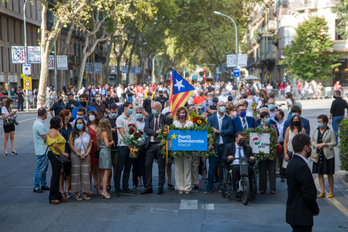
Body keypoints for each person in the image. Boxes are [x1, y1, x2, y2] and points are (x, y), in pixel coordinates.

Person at [285, 133, 320, 232]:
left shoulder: (291, 163)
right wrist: (315, 209)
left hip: (293, 212)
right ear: (306, 148)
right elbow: (307, 192)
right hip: (302, 215)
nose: (311, 148)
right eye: (310, 146)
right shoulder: (302, 166)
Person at [205, 101, 234, 193]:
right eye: (221, 106)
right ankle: (209, 186)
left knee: (223, 166)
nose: (223, 107)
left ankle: (221, 186)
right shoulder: (211, 118)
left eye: (224, 106)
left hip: (225, 146)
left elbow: (231, 130)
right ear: (217, 107)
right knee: (212, 167)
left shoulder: (228, 118)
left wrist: (220, 132)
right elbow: (207, 130)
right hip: (214, 146)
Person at [142, 102, 170, 195]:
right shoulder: (149, 117)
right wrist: (156, 132)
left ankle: (160, 187)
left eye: (155, 108)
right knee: (147, 165)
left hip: (160, 145)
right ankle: (148, 186)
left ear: (159, 108)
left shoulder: (165, 118)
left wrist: (166, 130)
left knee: (161, 167)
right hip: (150, 144)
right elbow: (146, 129)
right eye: (152, 108)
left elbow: (169, 129)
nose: (153, 109)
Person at [114, 102, 137, 197]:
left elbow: (135, 132)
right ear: (125, 108)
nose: (131, 109)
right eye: (130, 108)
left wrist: (133, 143)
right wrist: (128, 144)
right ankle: (117, 188)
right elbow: (122, 133)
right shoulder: (119, 119)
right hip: (123, 145)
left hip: (131, 146)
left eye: (132, 108)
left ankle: (125, 187)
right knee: (120, 167)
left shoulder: (133, 119)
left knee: (128, 167)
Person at [312, 114, 336, 198]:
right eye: (318, 122)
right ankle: (322, 191)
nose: (319, 124)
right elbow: (311, 140)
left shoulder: (330, 131)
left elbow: (334, 143)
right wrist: (314, 144)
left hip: (328, 154)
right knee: (320, 173)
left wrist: (324, 144)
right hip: (318, 154)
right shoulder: (315, 130)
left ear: (325, 123)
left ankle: (330, 191)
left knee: (329, 173)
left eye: (320, 122)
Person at [46, 116, 69, 204]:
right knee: (55, 175)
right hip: (54, 155)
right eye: (60, 122)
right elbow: (54, 145)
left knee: (58, 174)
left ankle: (58, 194)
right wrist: (63, 153)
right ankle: (53, 197)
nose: (62, 123)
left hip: (57, 155)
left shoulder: (57, 131)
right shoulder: (52, 132)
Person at [69, 118, 92, 201]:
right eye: (77, 123)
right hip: (76, 154)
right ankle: (77, 192)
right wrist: (78, 154)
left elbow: (90, 145)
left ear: (83, 124)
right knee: (76, 173)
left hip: (85, 153)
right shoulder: (73, 133)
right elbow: (71, 145)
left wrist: (87, 153)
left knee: (85, 173)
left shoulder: (87, 134)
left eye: (80, 123)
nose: (79, 124)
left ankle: (85, 192)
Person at [172, 107, 194, 194]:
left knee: (188, 167)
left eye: (184, 112)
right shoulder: (175, 123)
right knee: (178, 168)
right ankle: (180, 186)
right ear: (178, 114)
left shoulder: (190, 123)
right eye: (180, 113)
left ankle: (187, 186)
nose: (182, 114)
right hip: (177, 149)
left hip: (188, 148)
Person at [257, 111, 277, 194]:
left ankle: (273, 188)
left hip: (271, 152)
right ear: (262, 119)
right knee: (262, 171)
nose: (268, 118)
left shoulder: (273, 127)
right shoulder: (259, 128)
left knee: (272, 171)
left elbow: (276, 137)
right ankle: (262, 187)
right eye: (266, 117)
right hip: (262, 152)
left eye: (268, 117)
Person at [32, 107, 50, 193]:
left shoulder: (38, 123)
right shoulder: (40, 124)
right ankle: (36, 186)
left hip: (42, 149)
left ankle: (43, 184)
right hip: (42, 150)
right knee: (41, 168)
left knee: (43, 168)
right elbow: (45, 138)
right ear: (45, 114)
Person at [97, 119, 115, 199]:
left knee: (104, 171)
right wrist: (113, 142)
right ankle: (104, 190)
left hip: (102, 152)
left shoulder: (100, 132)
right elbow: (107, 144)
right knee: (106, 171)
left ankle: (103, 189)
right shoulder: (104, 133)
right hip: (106, 152)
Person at [104, 104, 119, 193]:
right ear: (109, 110)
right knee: (108, 167)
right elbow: (101, 130)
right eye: (112, 112)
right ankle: (108, 184)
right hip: (108, 146)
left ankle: (116, 183)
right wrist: (110, 130)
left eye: (115, 112)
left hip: (117, 145)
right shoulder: (105, 120)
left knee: (116, 166)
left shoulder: (119, 119)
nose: (114, 113)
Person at [59, 110, 73, 199]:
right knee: (61, 172)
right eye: (69, 115)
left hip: (70, 150)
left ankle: (67, 190)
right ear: (65, 116)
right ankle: (62, 190)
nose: (70, 117)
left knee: (68, 172)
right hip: (62, 151)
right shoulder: (60, 127)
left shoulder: (70, 126)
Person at [132, 107, 147, 190]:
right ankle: (135, 183)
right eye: (137, 112)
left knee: (145, 166)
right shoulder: (133, 122)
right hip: (135, 146)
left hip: (144, 146)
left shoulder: (146, 122)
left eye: (140, 112)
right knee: (135, 166)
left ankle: (145, 183)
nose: (139, 114)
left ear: (143, 113)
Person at [87, 110, 101, 195]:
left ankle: (99, 187)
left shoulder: (100, 125)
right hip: (90, 149)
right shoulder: (87, 126)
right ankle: (89, 188)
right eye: (89, 115)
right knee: (90, 169)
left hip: (99, 149)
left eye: (92, 115)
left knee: (99, 169)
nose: (91, 117)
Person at [275, 109, 286, 182]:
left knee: (283, 159)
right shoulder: (275, 123)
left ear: (280, 116)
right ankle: (279, 173)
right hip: (276, 144)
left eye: (276, 115)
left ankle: (283, 174)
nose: (275, 116)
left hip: (283, 143)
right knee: (278, 159)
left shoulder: (285, 123)